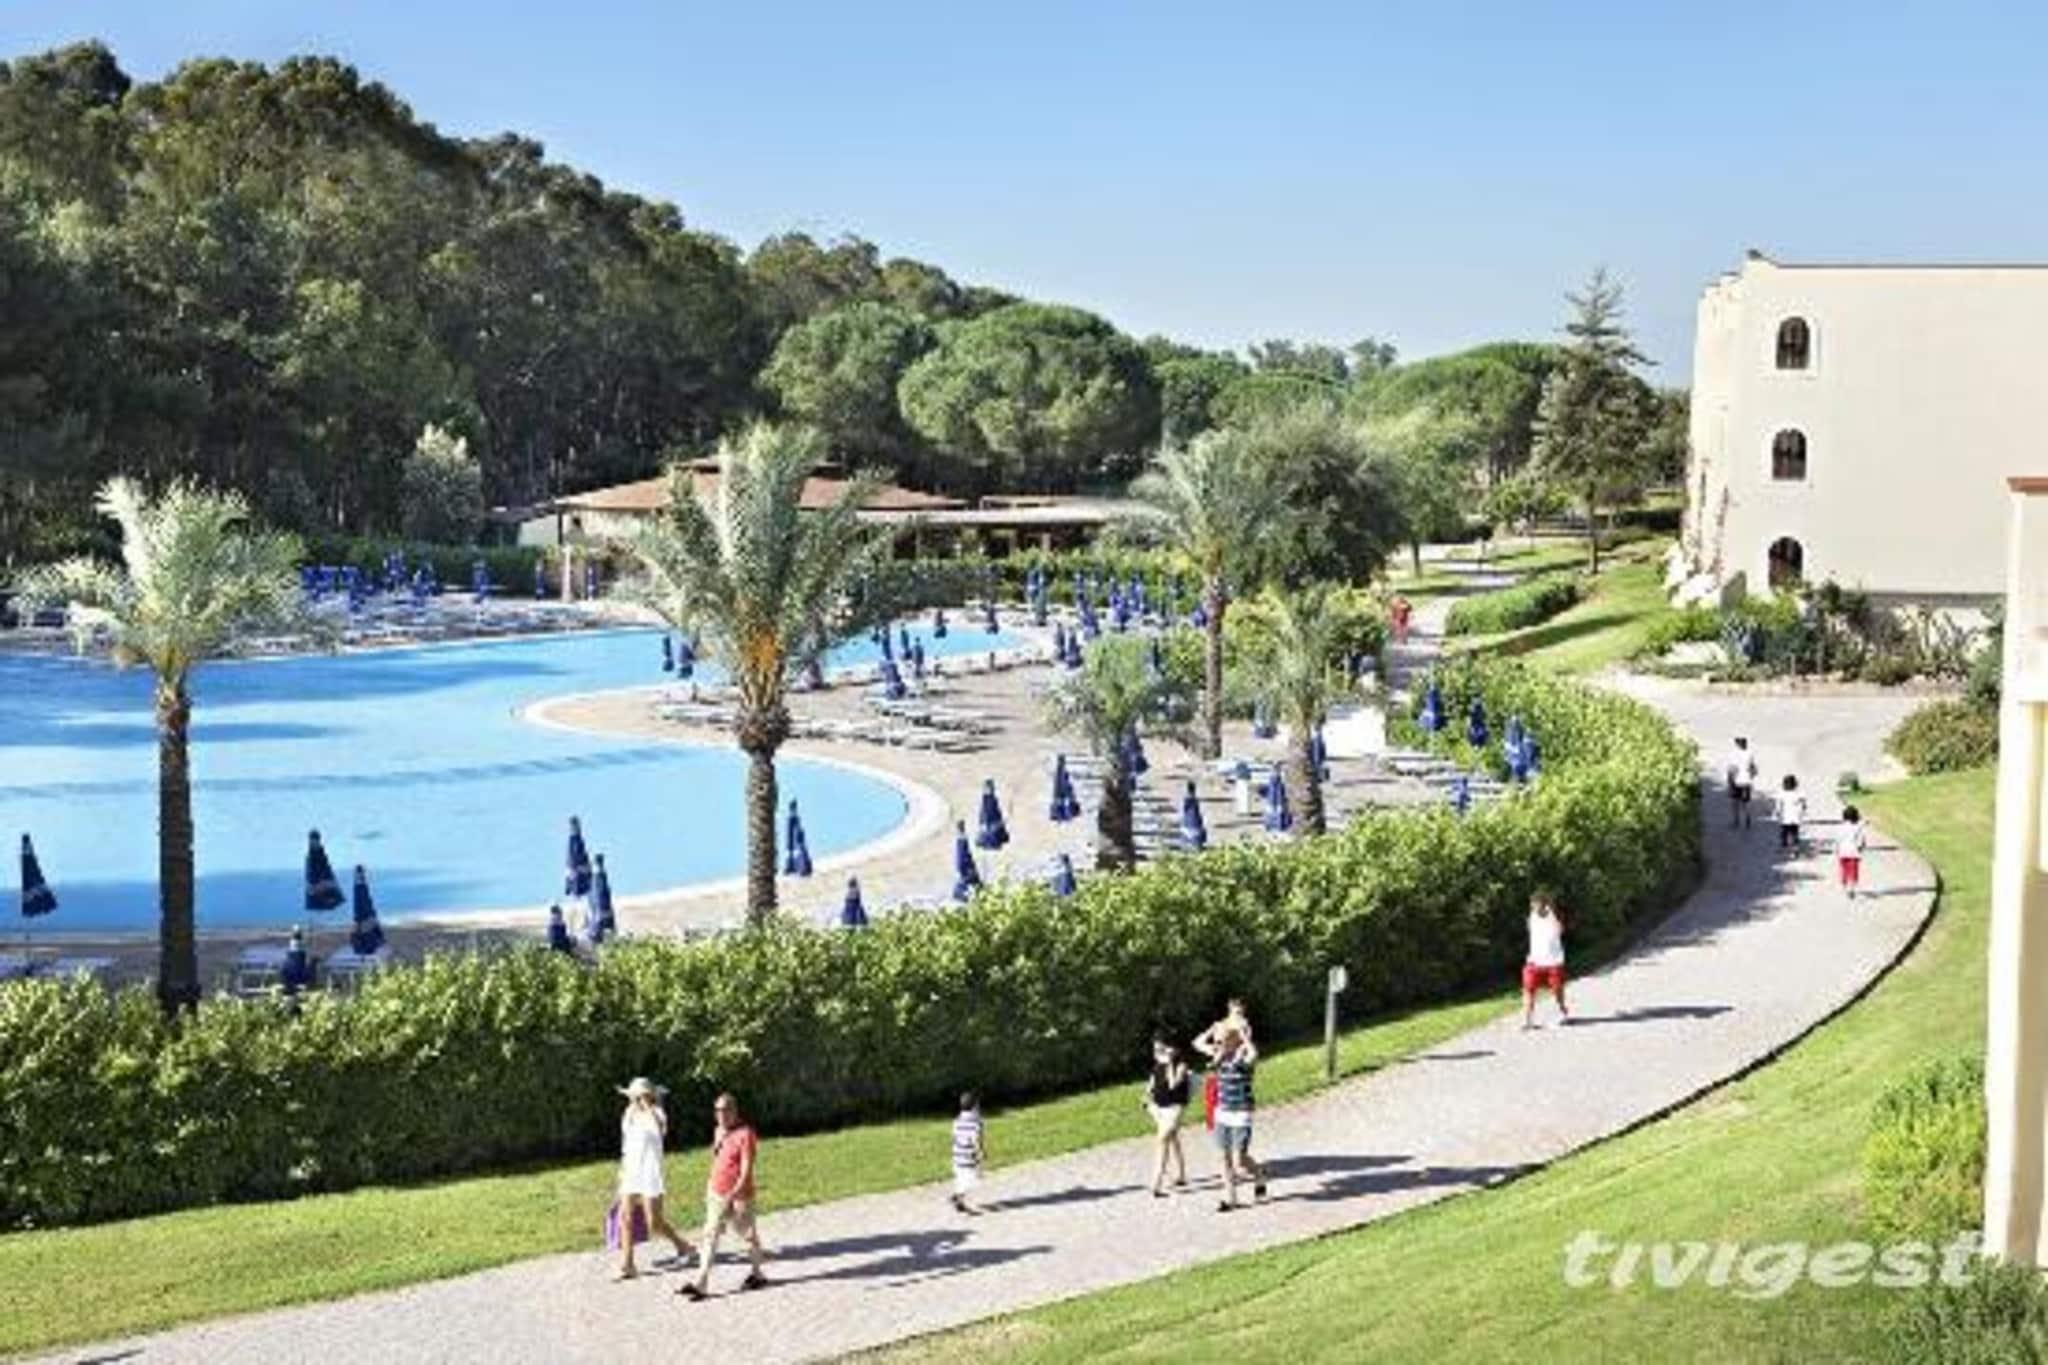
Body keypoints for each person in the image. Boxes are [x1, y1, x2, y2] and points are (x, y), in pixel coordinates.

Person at [678, 1093, 767, 1300]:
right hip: (717, 1192)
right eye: (717, 1110)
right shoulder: (718, 1131)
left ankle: (758, 1273)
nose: (721, 1114)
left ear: (735, 1111)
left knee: (748, 1235)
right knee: (710, 1234)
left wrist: (734, 1193)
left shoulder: (746, 1134)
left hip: (740, 1195)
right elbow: (717, 1160)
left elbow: (746, 1169)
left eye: (725, 1110)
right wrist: (710, 1185)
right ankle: (701, 1282)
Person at [613, 1077, 692, 1280]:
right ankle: (628, 1264)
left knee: (654, 1223)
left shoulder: (657, 1113)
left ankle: (683, 1245)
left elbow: (660, 1130)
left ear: (650, 1096)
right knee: (625, 1217)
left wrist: (648, 1107)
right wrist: (622, 1172)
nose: (636, 1099)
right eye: (634, 1096)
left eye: (641, 1096)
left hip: (650, 1172)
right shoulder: (628, 1114)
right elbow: (626, 1145)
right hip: (631, 1170)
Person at [1193, 1026, 1265, 1211]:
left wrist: (1245, 1038)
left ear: (1233, 1042)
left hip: (1241, 1113)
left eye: (1221, 1042)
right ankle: (1230, 1198)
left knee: (1239, 1159)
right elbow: (1197, 1043)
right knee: (1222, 1156)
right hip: (1222, 1113)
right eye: (1216, 1042)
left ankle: (1258, 1173)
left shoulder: (1242, 1058)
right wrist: (1212, 1029)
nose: (1217, 1045)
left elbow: (1254, 1055)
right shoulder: (1218, 1056)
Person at [1145, 1038, 1191, 1197]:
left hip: (1174, 1108)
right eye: (1156, 1050)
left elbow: (1172, 1085)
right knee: (1172, 1139)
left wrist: (1170, 1063)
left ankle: (1156, 1184)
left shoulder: (1181, 1065)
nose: (1158, 1053)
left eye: (1161, 1050)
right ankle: (1181, 1174)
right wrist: (1147, 1098)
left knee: (1162, 1139)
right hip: (1159, 1109)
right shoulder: (1156, 1066)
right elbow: (1150, 1086)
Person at [1521, 892, 1569, 1030]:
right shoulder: (1531, 917)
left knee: (1557, 991)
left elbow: (1560, 929)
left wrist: (1552, 913)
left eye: (1538, 904)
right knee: (1528, 989)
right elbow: (1530, 927)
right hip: (1534, 962)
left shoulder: (1554, 916)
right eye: (1533, 904)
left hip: (1554, 962)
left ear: (1545, 905)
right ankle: (1528, 1020)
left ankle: (1562, 1012)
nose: (1534, 907)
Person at [950, 1091, 986, 1215]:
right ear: (975, 1107)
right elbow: (977, 1140)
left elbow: (955, 1137)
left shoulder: (956, 1121)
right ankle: (958, 1200)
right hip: (969, 1157)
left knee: (962, 1178)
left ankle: (957, 1196)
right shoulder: (976, 1123)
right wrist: (981, 1153)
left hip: (957, 1155)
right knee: (972, 1179)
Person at [1837, 805, 1869, 901]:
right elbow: (1861, 839)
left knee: (1844, 869)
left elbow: (1838, 840)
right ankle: (1851, 888)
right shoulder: (1858, 827)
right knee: (1853, 871)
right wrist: (1862, 847)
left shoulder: (1841, 827)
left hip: (1842, 852)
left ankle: (1844, 884)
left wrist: (1837, 850)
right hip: (1854, 852)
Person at [1725, 737, 1758, 829]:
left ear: (1738, 744)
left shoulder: (1734, 754)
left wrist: (1729, 780)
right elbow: (1753, 768)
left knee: (1735, 802)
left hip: (1736, 781)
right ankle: (1747, 818)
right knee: (1746, 802)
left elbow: (1732, 769)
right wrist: (1751, 776)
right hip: (1747, 781)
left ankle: (1736, 820)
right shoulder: (1750, 754)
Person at [1775, 774, 1807, 854]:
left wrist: (1778, 813)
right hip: (1795, 818)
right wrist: (1802, 812)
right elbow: (1803, 805)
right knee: (1794, 833)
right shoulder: (1798, 794)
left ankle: (1784, 847)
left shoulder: (1781, 794)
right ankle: (1795, 849)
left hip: (1785, 817)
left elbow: (1778, 806)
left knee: (1784, 833)